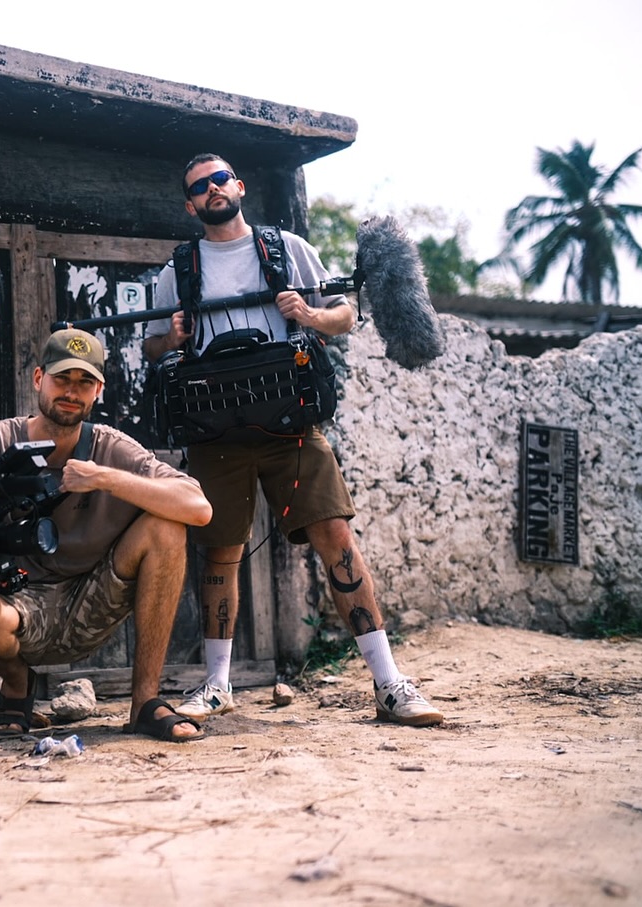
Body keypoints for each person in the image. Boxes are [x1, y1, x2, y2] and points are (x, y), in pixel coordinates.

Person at [141, 153, 443, 727]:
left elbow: (344, 316)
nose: (212, 190)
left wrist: (307, 312)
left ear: (240, 186)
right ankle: (216, 685)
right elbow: (154, 349)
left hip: (292, 426)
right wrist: (171, 337)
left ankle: (389, 683)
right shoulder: (175, 270)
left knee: (336, 539)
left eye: (220, 179)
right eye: (199, 187)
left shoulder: (287, 249)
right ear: (190, 204)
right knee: (220, 553)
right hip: (216, 431)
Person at [0, 327, 212, 742]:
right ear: (38, 379)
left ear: (98, 391)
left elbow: (199, 508)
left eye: (84, 382)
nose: (71, 391)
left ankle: (144, 703)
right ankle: (17, 685)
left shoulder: (110, 447)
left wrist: (104, 478)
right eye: (62, 379)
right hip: (11, 600)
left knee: (167, 526)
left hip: (91, 599)